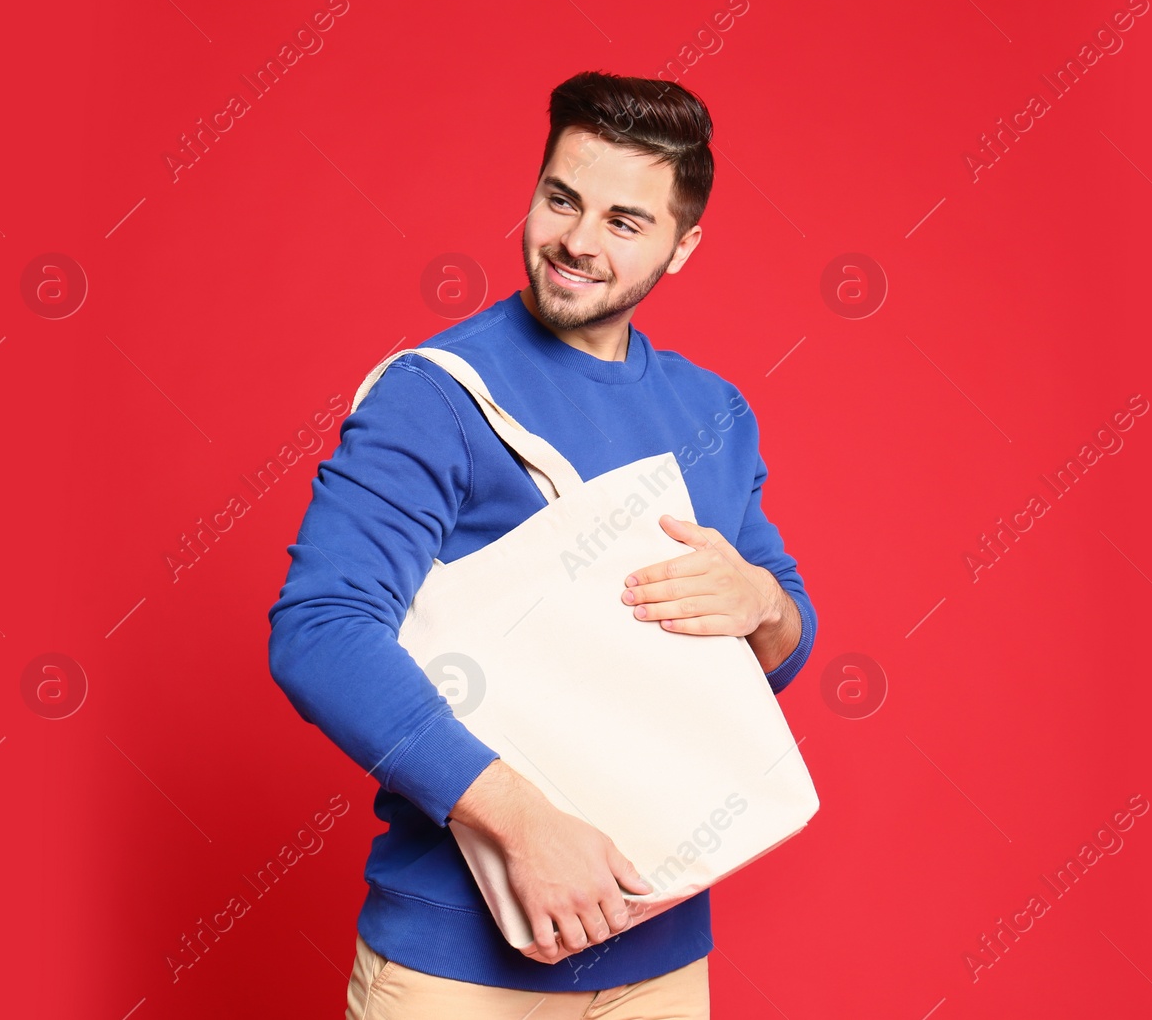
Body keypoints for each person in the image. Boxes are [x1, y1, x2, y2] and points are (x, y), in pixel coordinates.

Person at [268, 69, 818, 1019]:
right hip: (458, 968)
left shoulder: (713, 412)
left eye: (624, 220)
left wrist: (767, 606)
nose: (575, 240)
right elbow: (320, 631)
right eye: (561, 199)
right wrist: (523, 824)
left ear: (683, 247)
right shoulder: (435, 395)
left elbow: (775, 647)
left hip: (662, 948)